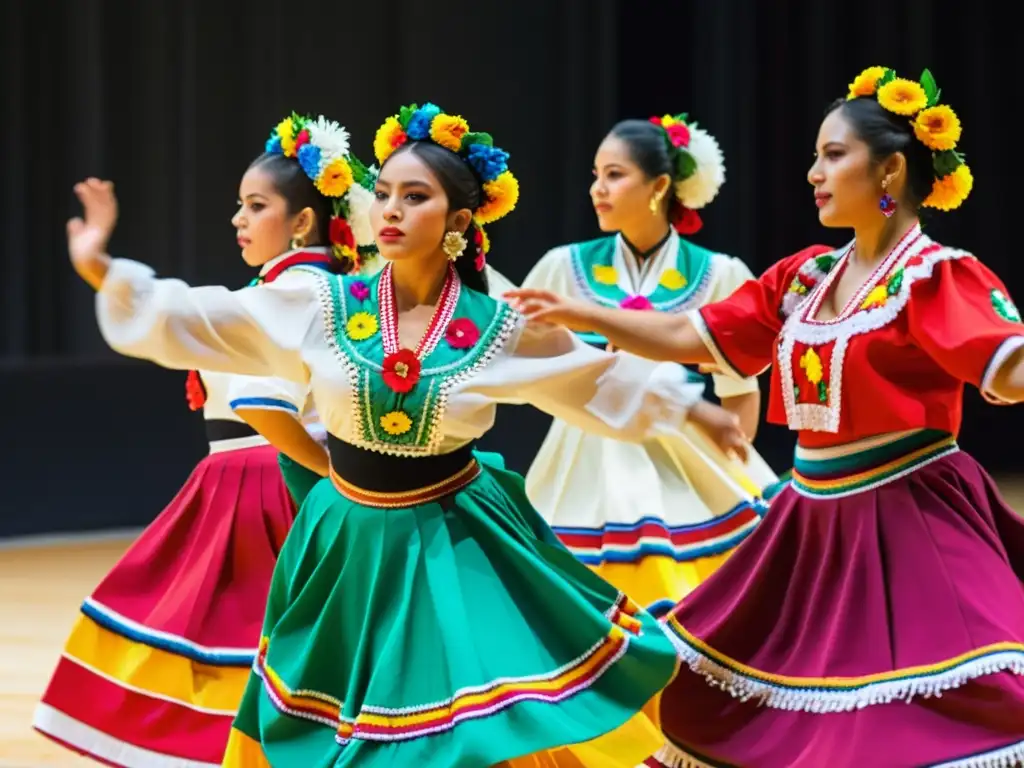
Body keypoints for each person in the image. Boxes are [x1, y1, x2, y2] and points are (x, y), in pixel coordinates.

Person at [64, 102, 753, 767]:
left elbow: (593, 377)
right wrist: (106, 270)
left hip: (453, 537)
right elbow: (208, 318)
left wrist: (696, 411)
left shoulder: (496, 323)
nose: (390, 209)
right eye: (385, 193)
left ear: (457, 221)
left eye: (414, 196)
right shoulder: (324, 302)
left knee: (458, 724)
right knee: (338, 720)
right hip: (345, 538)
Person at [507, 67, 1024, 767]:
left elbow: (1010, 368)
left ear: (892, 168)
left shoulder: (933, 276)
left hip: (908, 515)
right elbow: (696, 336)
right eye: (815, 155)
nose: (814, 172)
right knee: (734, 694)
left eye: (834, 155)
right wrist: (583, 313)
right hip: (811, 521)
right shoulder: (805, 277)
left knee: (952, 695)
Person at [33, 113, 380, 767]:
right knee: (262, 652)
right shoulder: (287, 290)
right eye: (239, 206)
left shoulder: (301, 290)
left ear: (303, 221)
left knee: (250, 647)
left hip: (268, 484)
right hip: (247, 480)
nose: (238, 220)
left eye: (257, 206)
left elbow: (265, 406)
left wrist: (333, 477)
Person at [520, 113, 778, 613]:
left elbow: (740, 391)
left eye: (614, 174)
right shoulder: (561, 268)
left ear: (659, 185)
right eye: (595, 175)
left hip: (683, 460)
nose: (598, 188)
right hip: (583, 461)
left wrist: (732, 466)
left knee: (698, 608)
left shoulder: (718, 275)